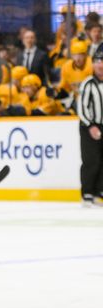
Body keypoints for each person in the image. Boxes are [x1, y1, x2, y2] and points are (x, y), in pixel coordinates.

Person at [77, 48, 103, 207]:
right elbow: (82, 107)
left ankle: (99, 191)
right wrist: (90, 125)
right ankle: (87, 192)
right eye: (97, 62)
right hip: (90, 127)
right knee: (91, 160)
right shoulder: (88, 83)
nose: (100, 65)